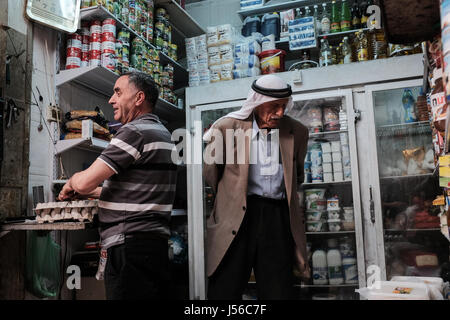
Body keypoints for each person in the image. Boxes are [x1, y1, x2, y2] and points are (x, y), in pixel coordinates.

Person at [58, 71, 177, 300]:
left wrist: (72, 182)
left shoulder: (133, 132)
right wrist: (92, 192)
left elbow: (83, 182)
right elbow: (141, 193)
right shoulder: (164, 134)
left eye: (118, 92)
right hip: (153, 247)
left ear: (139, 98)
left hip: (129, 248)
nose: (111, 99)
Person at [203, 74, 310, 300]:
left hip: (277, 217)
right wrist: (232, 194)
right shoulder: (226, 127)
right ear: (257, 102)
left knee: (278, 288)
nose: (280, 113)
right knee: (226, 286)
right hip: (237, 214)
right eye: (274, 106)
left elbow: (297, 176)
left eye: (283, 106)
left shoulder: (297, 131)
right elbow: (211, 173)